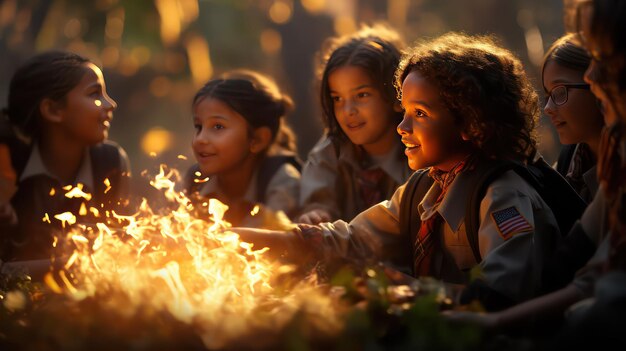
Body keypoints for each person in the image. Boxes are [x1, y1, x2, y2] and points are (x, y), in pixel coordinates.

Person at [233, 33, 561, 311]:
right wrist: (233, 239)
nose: (402, 127)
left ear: (470, 122)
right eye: (404, 111)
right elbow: (351, 239)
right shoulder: (424, 187)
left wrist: (411, 291)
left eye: (420, 113)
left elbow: (502, 297)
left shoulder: (503, 195)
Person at [443, 0, 626, 347]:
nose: (594, 75)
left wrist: (496, 316)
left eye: (604, 58)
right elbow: (575, 264)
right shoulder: (599, 162)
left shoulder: (508, 188)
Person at [0, 50, 131, 261]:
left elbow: (115, 255)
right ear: (53, 110)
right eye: (95, 94)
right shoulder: (8, 167)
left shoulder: (111, 163)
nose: (110, 104)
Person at [297, 24, 411, 225]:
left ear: (396, 96)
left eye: (362, 95)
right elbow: (318, 203)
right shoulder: (330, 151)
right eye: (337, 98)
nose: (348, 110)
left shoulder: (420, 152)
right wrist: (316, 213)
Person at [184, 69, 301, 228]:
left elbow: (272, 240)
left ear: (257, 140)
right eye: (198, 127)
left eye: (218, 126)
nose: (200, 139)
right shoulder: (197, 181)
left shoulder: (282, 181)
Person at [545, 33, 605, 202]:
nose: (547, 108)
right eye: (548, 96)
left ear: (596, 85)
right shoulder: (567, 162)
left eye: (559, 91)